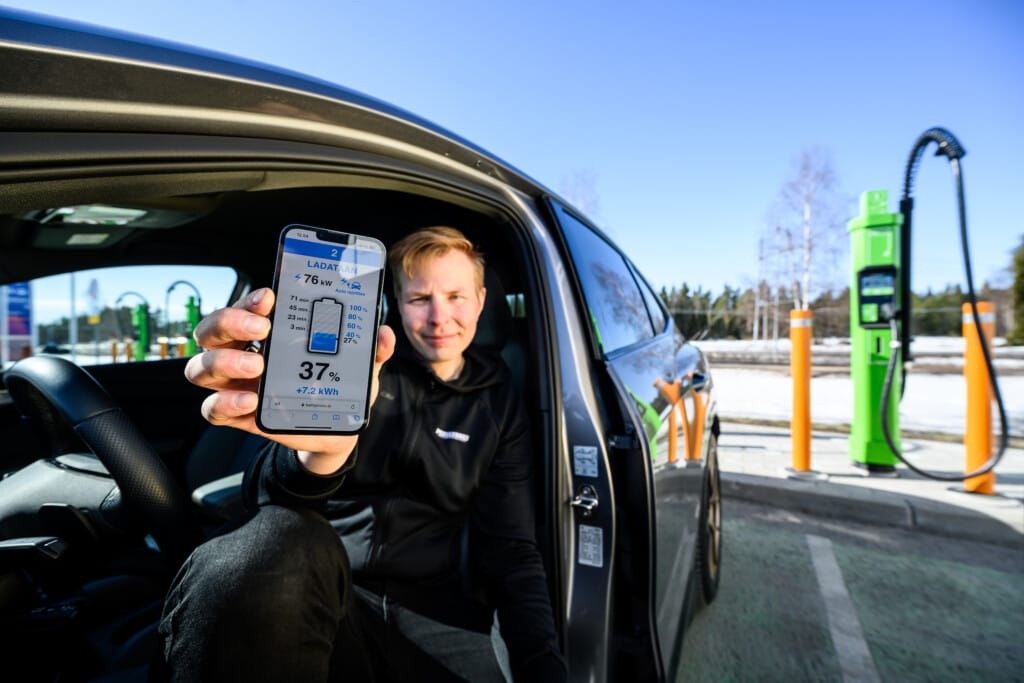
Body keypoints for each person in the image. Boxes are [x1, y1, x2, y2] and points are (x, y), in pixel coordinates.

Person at [157, 226, 566, 682]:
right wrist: (320, 460)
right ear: (394, 301)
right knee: (270, 543)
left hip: (440, 608)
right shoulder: (359, 370)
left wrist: (541, 664)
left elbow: (512, 548)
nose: (438, 317)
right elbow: (266, 495)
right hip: (322, 585)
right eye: (419, 299)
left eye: (455, 296)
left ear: (482, 300)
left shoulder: (501, 401)